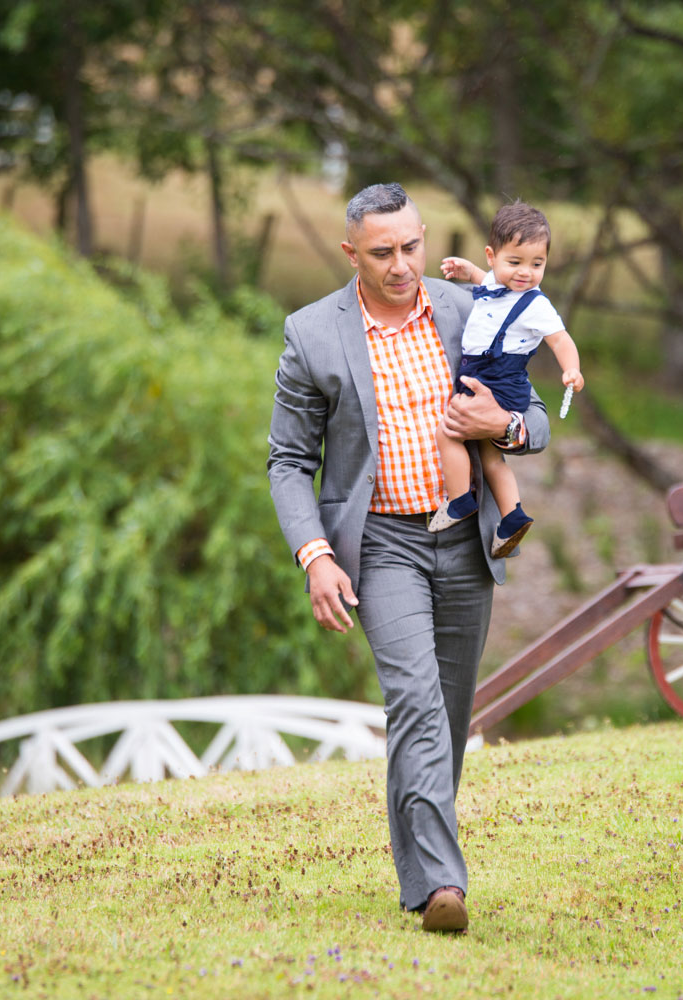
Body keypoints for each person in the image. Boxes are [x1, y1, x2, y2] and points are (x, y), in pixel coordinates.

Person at [266, 183, 550, 933]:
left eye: (411, 247)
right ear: (350, 252)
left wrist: (507, 424)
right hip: (382, 543)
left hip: (463, 540)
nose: (401, 266)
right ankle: (441, 887)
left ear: (427, 238)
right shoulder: (313, 334)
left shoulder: (469, 309)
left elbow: (538, 418)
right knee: (415, 701)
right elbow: (289, 460)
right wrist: (315, 555)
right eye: (383, 252)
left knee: (447, 717)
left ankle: (419, 870)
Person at [434, 202, 583, 557]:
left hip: (496, 381)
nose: (525, 274)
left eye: (537, 264)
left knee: (448, 431)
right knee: (490, 459)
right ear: (492, 256)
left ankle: (459, 501)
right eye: (515, 262)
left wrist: (571, 368)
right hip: (491, 376)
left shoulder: (534, 303)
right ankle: (513, 515)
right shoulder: (495, 283)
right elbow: (482, 280)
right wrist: (465, 268)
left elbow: (560, 339)